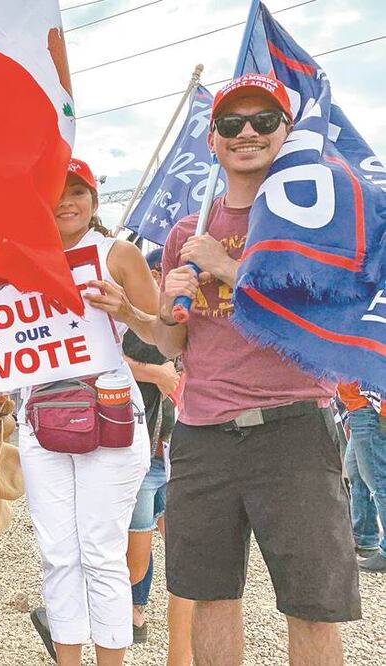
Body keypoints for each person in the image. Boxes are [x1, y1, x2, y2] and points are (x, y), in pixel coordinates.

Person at [154, 74, 360, 665]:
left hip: (294, 428)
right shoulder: (185, 234)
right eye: (231, 124)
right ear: (213, 141)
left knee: (312, 603)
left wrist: (227, 265)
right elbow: (173, 341)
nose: (246, 133)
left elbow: (331, 309)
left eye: (263, 121)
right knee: (208, 595)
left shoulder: (312, 217)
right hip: (200, 434)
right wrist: (157, 309)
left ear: (285, 132)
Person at [19, 158, 154, 666]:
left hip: (110, 411)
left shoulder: (118, 254)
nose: (65, 201)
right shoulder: (22, 260)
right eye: (54, 191)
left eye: (76, 190)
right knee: (57, 553)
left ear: (94, 200)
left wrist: (127, 311)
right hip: (41, 413)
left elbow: (163, 333)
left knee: (101, 551)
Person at [119, 247, 193, 666]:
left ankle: (162, 636)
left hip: (175, 448)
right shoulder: (128, 322)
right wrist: (157, 373)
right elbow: (106, 362)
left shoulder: (183, 317)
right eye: (153, 272)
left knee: (186, 555)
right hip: (142, 450)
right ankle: (86, 617)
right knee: (134, 560)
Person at [338, 383, 386, 570]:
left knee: (378, 482)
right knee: (357, 475)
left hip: (367, 409)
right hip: (358, 407)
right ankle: (364, 539)